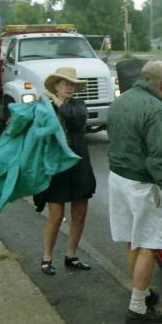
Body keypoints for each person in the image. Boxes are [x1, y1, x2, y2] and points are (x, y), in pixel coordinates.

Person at [107, 60, 162, 324]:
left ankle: (143, 292)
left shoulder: (121, 100)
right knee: (149, 245)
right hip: (141, 184)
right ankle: (138, 306)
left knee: (132, 240)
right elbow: (160, 158)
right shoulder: (154, 108)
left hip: (118, 178)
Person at [34, 67, 97, 275]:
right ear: (56, 86)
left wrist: (60, 104)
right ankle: (47, 257)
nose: (69, 87)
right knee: (56, 213)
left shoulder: (78, 105)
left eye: (72, 84)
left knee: (80, 212)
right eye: (65, 83)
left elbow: (77, 122)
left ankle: (72, 255)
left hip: (78, 163)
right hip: (56, 165)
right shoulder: (45, 106)